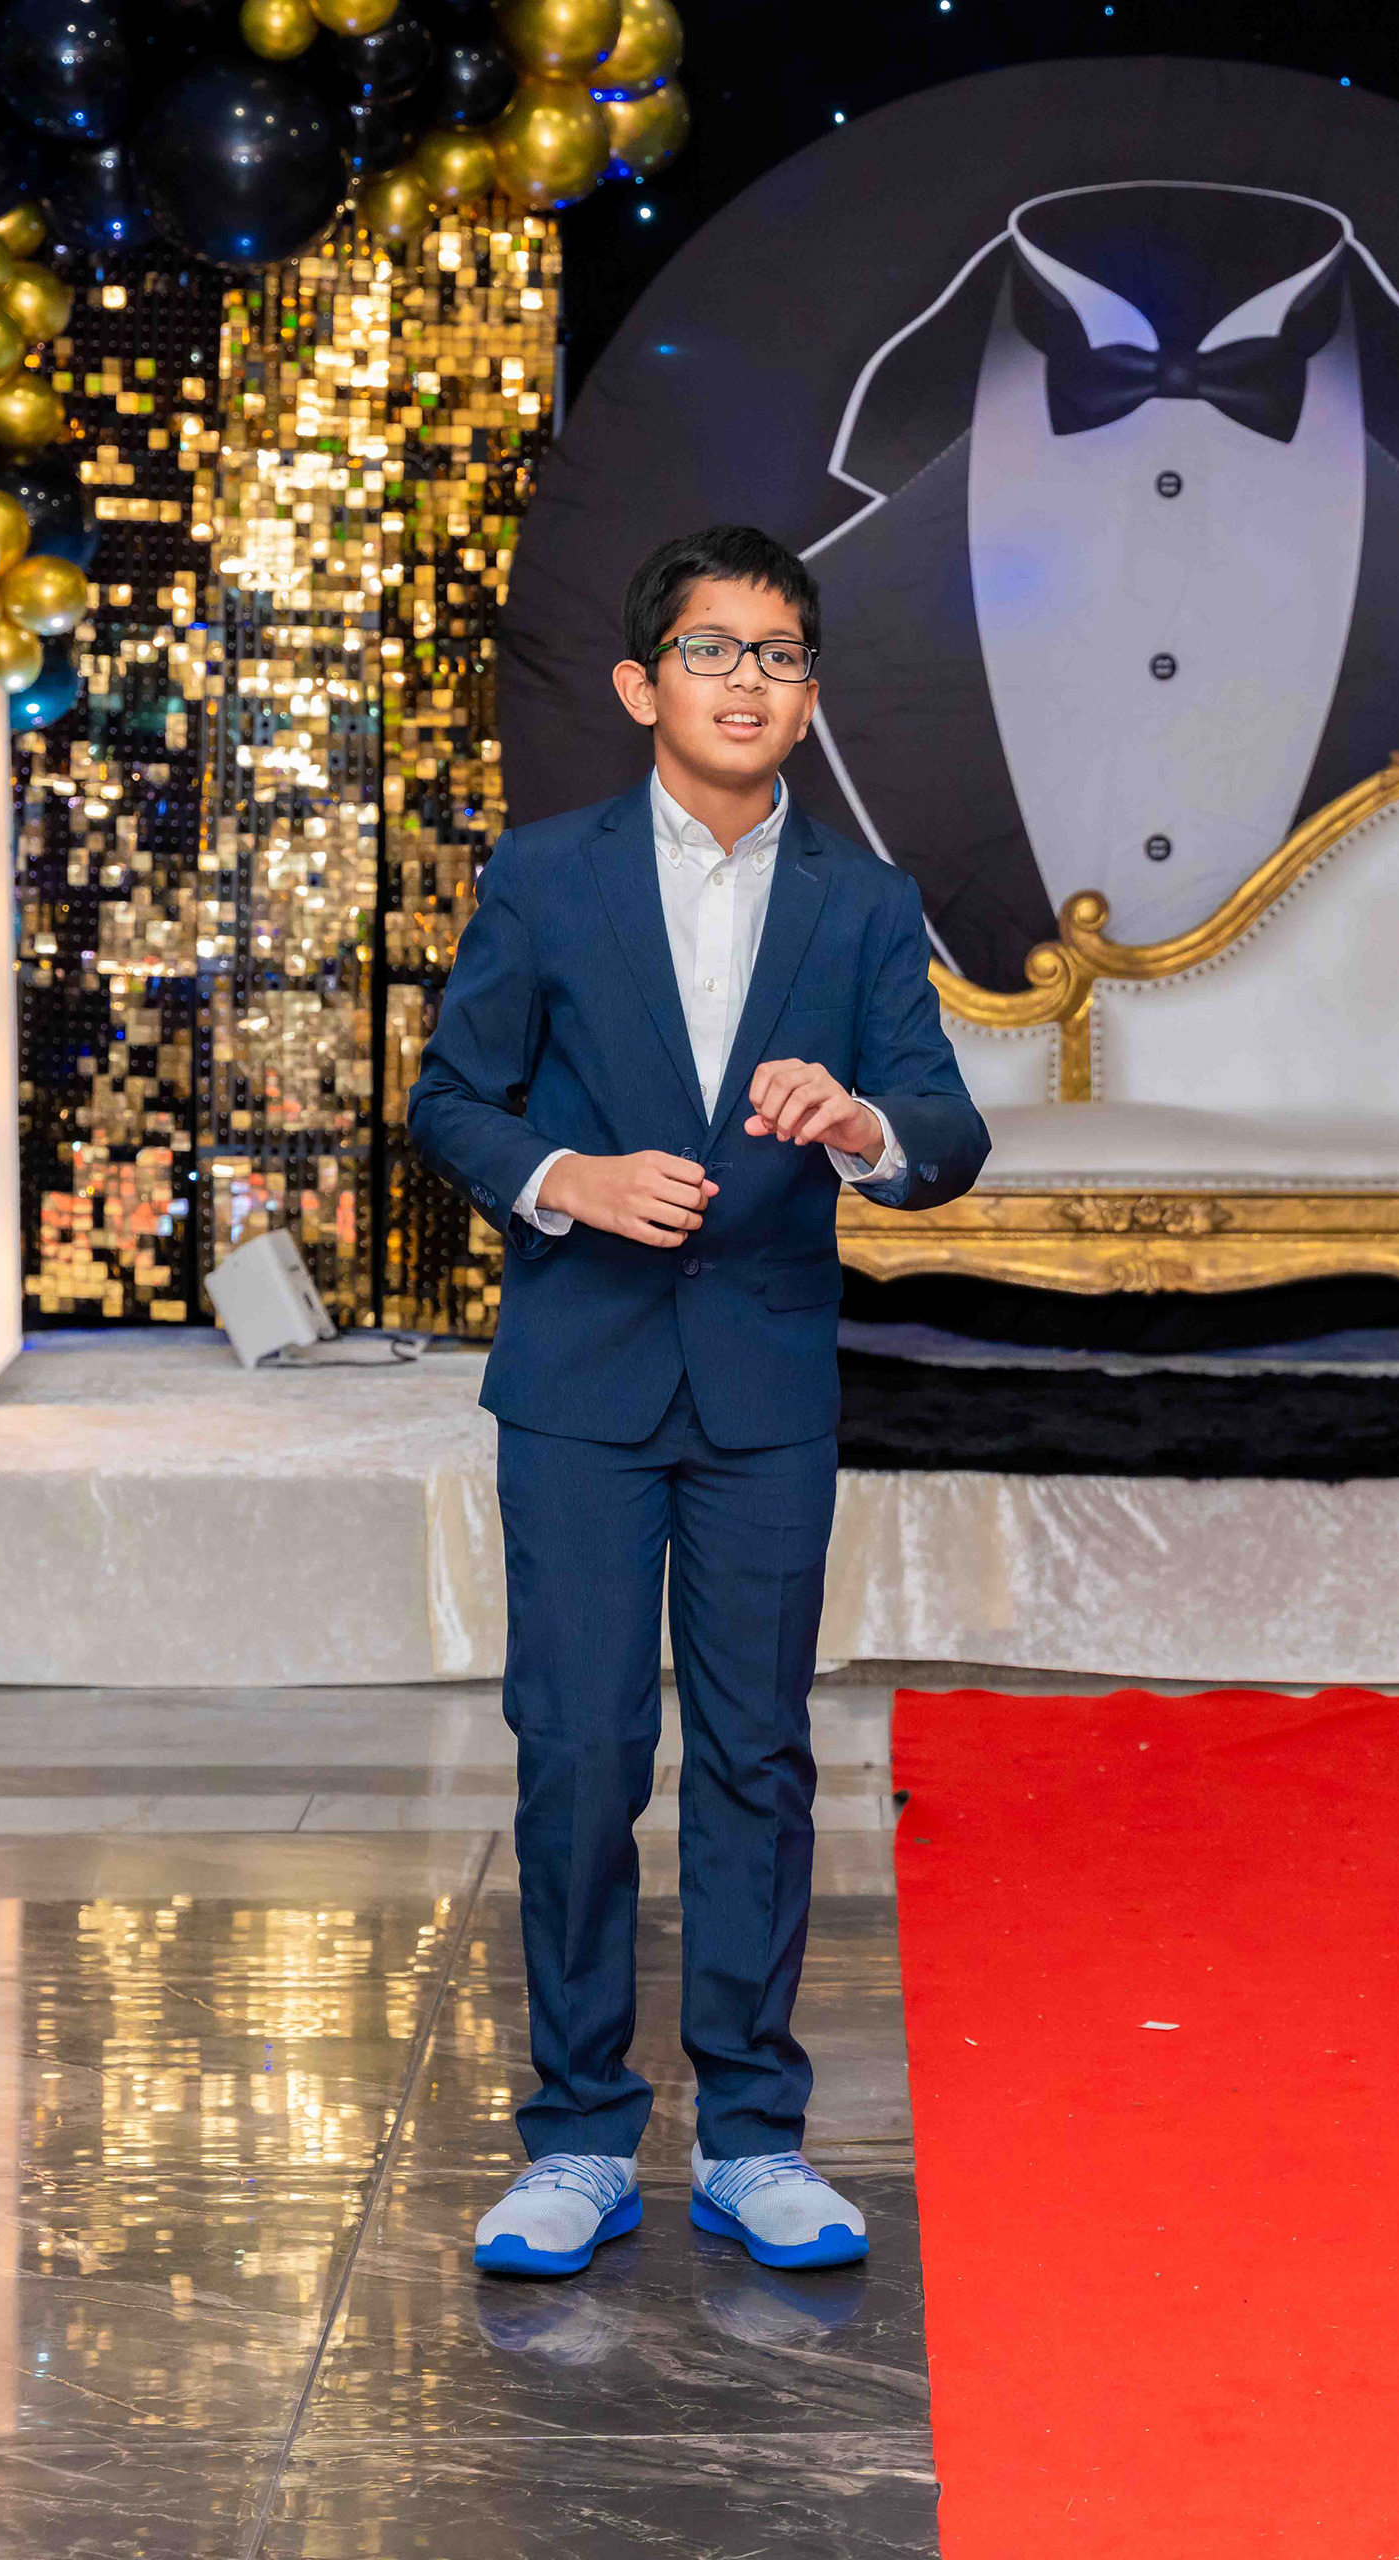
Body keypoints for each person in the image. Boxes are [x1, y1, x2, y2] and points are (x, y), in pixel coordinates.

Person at [410, 525, 988, 2280]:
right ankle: (580, 2135)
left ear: (810, 698)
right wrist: (566, 1177)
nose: (750, 681)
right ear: (639, 684)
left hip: (764, 1383)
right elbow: (453, 1101)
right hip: (579, 1381)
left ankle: (751, 2136)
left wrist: (864, 1126)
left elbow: (946, 1129)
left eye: (782, 655)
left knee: (756, 1756)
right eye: (715, 650)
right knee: (581, 1751)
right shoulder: (546, 875)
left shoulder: (863, 902)